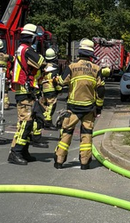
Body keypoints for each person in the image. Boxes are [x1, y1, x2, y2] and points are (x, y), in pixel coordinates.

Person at [53, 38, 107, 170]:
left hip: (72, 107)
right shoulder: (96, 69)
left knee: (66, 132)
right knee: (87, 134)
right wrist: (98, 107)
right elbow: (100, 89)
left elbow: (61, 82)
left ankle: (59, 161)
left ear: (80, 53)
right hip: (89, 108)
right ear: (91, 55)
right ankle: (84, 162)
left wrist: (54, 80)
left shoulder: (71, 67)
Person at [8, 23, 45, 165]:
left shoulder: (20, 49)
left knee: (29, 123)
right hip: (24, 91)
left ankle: (23, 151)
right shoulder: (27, 50)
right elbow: (40, 62)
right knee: (25, 123)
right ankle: (15, 152)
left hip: (25, 90)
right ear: (33, 38)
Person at [39, 48, 61, 129]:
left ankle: (43, 120)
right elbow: (55, 78)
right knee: (52, 104)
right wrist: (59, 88)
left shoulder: (44, 66)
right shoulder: (55, 67)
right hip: (51, 88)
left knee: (45, 105)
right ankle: (48, 121)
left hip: (44, 88)